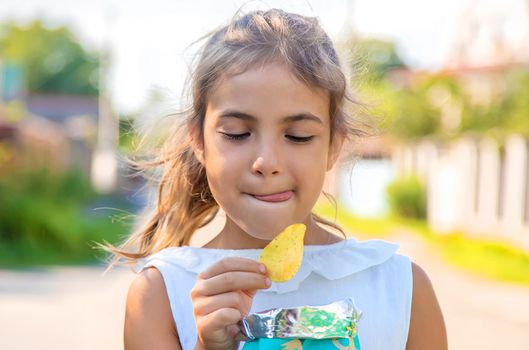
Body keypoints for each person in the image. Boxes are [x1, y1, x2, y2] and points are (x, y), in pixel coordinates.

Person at [107, 8, 447, 350]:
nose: (266, 162)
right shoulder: (161, 294)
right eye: (237, 133)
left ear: (334, 146)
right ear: (198, 141)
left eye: (298, 136)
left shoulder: (400, 288)